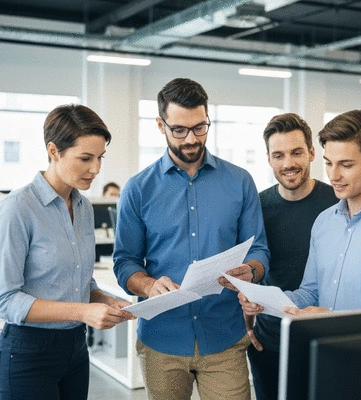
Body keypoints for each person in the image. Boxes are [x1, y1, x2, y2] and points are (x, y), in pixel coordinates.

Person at [113, 78, 270, 400]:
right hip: (162, 340)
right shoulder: (138, 189)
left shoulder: (240, 181)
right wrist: (148, 286)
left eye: (200, 128)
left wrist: (251, 271)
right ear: (160, 125)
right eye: (180, 130)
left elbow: (259, 248)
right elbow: (125, 261)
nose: (191, 139)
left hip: (225, 337)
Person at [0, 104, 133, 400]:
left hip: (75, 349)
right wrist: (84, 311)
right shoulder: (18, 208)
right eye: (85, 158)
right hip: (28, 354)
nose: (96, 169)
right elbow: (6, 299)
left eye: (100, 158)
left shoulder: (84, 207)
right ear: (53, 150)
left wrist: (106, 300)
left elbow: (82, 284)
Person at [241, 110, 361, 337]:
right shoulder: (325, 222)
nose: (333, 175)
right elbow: (310, 293)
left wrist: (330, 319)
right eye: (328, 163)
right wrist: (263, 301)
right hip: (322, 356)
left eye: (346, 165)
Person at [246, 113, 338, 400]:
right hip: (268, 340)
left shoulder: (337, 202)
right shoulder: (256, 207)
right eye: (279, 155)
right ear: (269, 159)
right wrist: (246, 326)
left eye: (297, 152)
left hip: (324, 337)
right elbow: (247, 269)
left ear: (312, 153)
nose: (288, 164)